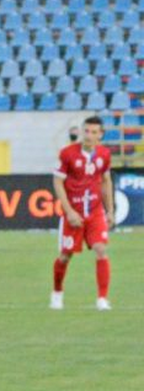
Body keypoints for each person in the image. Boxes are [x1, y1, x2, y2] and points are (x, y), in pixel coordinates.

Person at [51, 115, 114, 311]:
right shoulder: (67, 153)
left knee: (101, 249)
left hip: (95, 212)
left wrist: (110, 211)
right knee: (65, 256)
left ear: (100, 135)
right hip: (74, 214)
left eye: (93, 132)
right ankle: (57, 293)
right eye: (86, 131)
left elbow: (106, 182)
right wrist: (69, 212)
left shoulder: (104, 154)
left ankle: (102, 299)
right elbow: (57, 182)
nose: (88, 135)